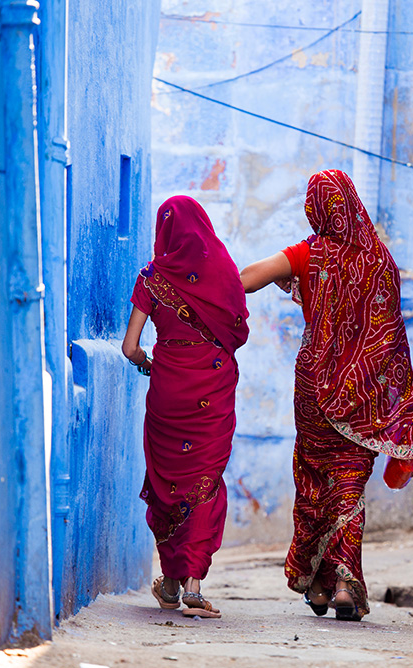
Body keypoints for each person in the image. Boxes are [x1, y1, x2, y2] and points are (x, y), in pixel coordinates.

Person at [239, 169, 413, 621]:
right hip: (363, 391)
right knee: (348, 484)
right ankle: (345, 581)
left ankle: (319, 586)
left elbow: (247, 278)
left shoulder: (310, 254)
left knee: (314, 480)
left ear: (315, 208)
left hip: (313, 387)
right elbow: (387, 334)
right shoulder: (380, 260)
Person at [122, 195, 249, 618]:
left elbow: (130, 348)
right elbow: (239, 331)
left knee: (167, 482)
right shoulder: (225, 272)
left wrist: (150, 365)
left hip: (167, 389)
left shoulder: (151, 277)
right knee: (205, 478)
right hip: (211, 386)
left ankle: (172, 581)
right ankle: (192, 584)